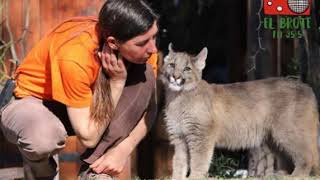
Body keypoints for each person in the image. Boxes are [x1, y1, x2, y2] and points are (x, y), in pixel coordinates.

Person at [0, 0, 159, 179]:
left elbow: (149, 109)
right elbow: (89, 137)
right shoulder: (75, 54)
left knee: (145, 77)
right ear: (113, 43)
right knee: (43, 138)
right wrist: (117, 83)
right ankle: (40, 173)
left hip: (83, 106)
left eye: (154, 37)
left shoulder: (144, 53)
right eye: (143, 43)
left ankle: (96, 173)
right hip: (33, 100)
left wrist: (124, 149)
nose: (153, 49)